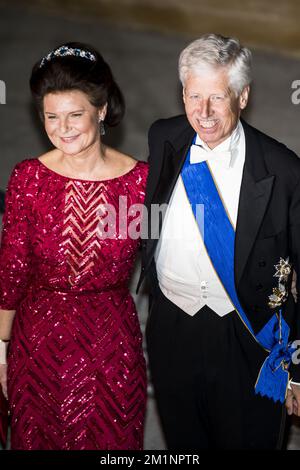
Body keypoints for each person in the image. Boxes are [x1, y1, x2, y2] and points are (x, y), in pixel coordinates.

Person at [138, 33, 300, 449]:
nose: (204, 113)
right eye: (194, 96)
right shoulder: (163, 137)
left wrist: (299, 369)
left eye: (218, 97)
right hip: (172, 328)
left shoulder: (282, 169)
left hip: (245, 336)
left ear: (243, 96)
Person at [0, 42, 148, 450]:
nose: (62, 128)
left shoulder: (140, 184)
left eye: (75, 115)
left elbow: (171, 265)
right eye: (51, 117)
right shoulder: (28, 179)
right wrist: (0, 353)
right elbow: (11, 273)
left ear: (101, 111)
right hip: (36, 348)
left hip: (112, 350)